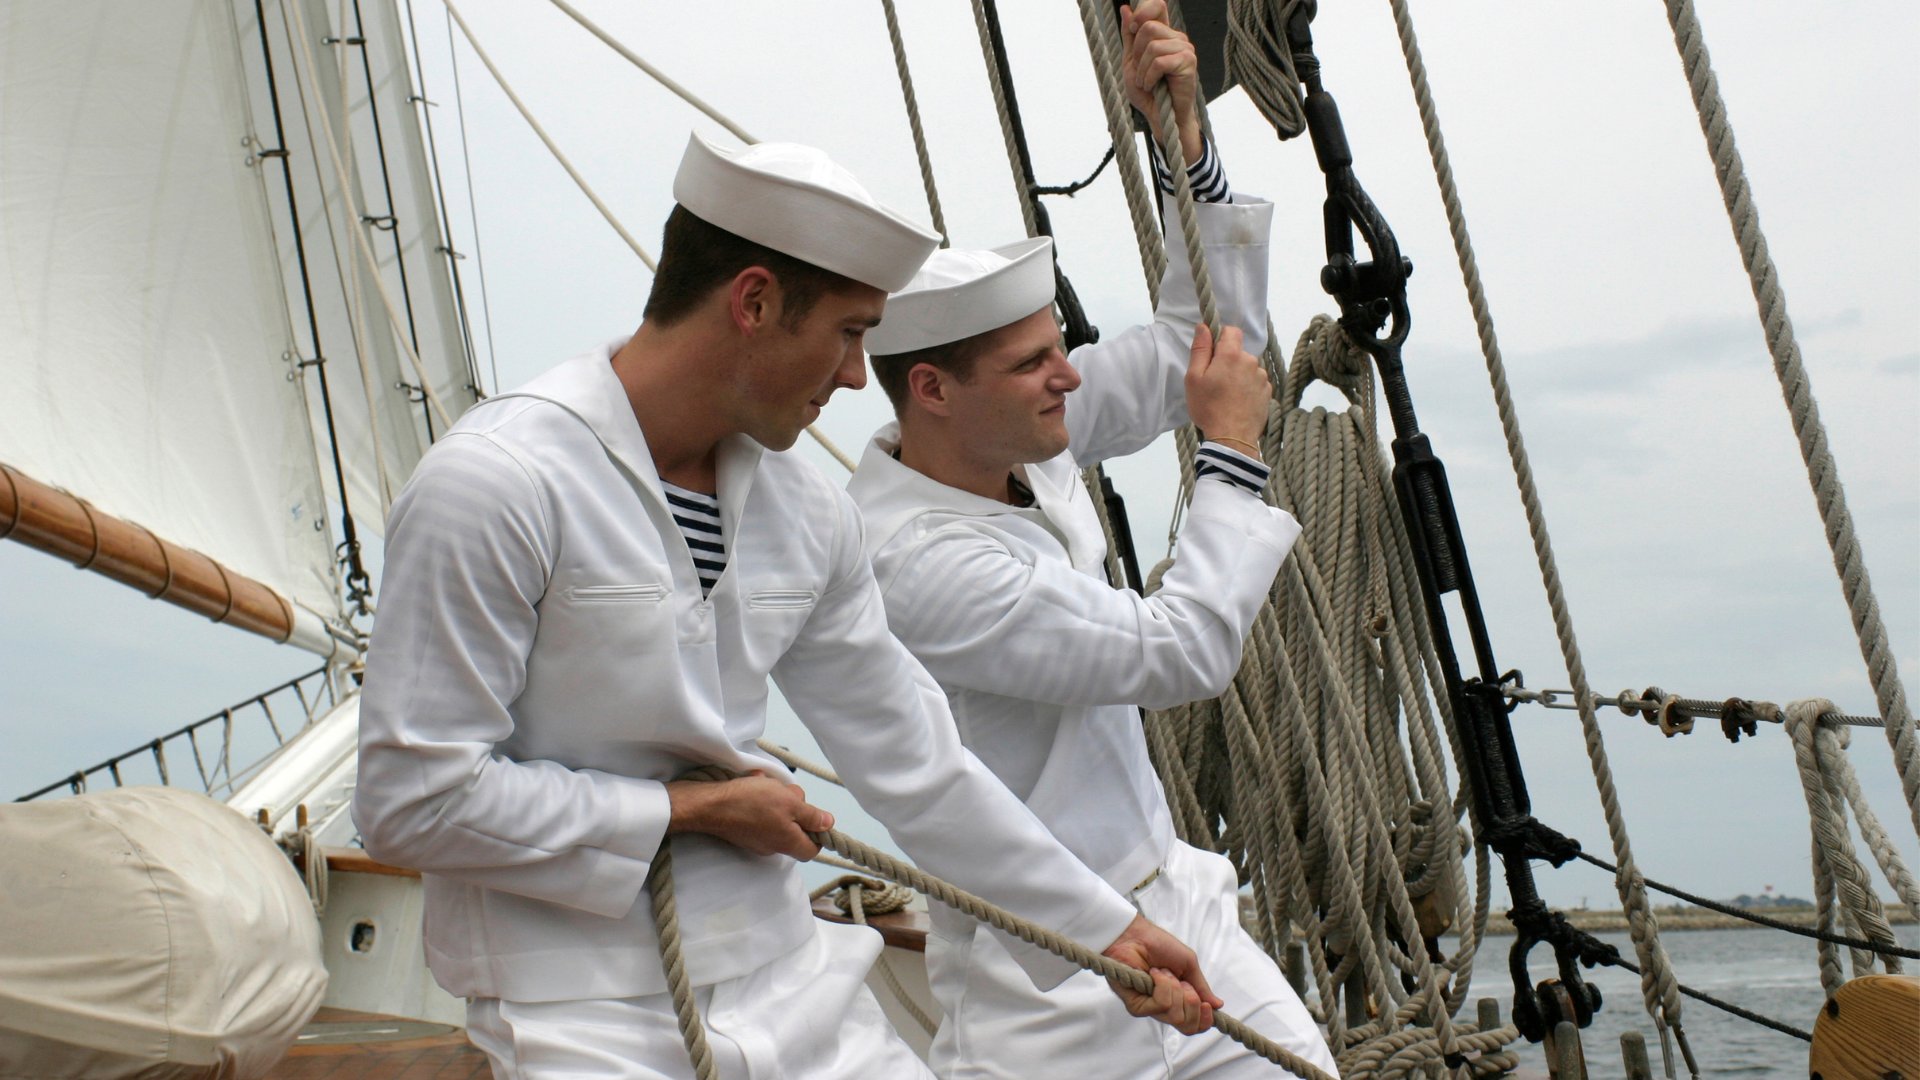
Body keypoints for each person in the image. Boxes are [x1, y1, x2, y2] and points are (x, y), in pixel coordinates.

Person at [353, 130, 1221, 1079]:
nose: (858, 377)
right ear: (755, 302)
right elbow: (412, 801)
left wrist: (1107, 931)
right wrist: (687, 812)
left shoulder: (805, 512)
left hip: (797, 983)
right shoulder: (497, 483)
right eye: (850, 334)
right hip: (571, 1013)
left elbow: (919, 767)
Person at [845, 4, 1340, 1077]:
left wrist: (1187, 150)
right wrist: (1233, 457)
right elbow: (1183, 652)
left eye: (1060, 350)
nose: (1068, 374)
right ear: (932, 390)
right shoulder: (918, 564)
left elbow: (1191, 345)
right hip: (1052, 975)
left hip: (1175, 899)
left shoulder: (1028, 440)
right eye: (1034, 363)